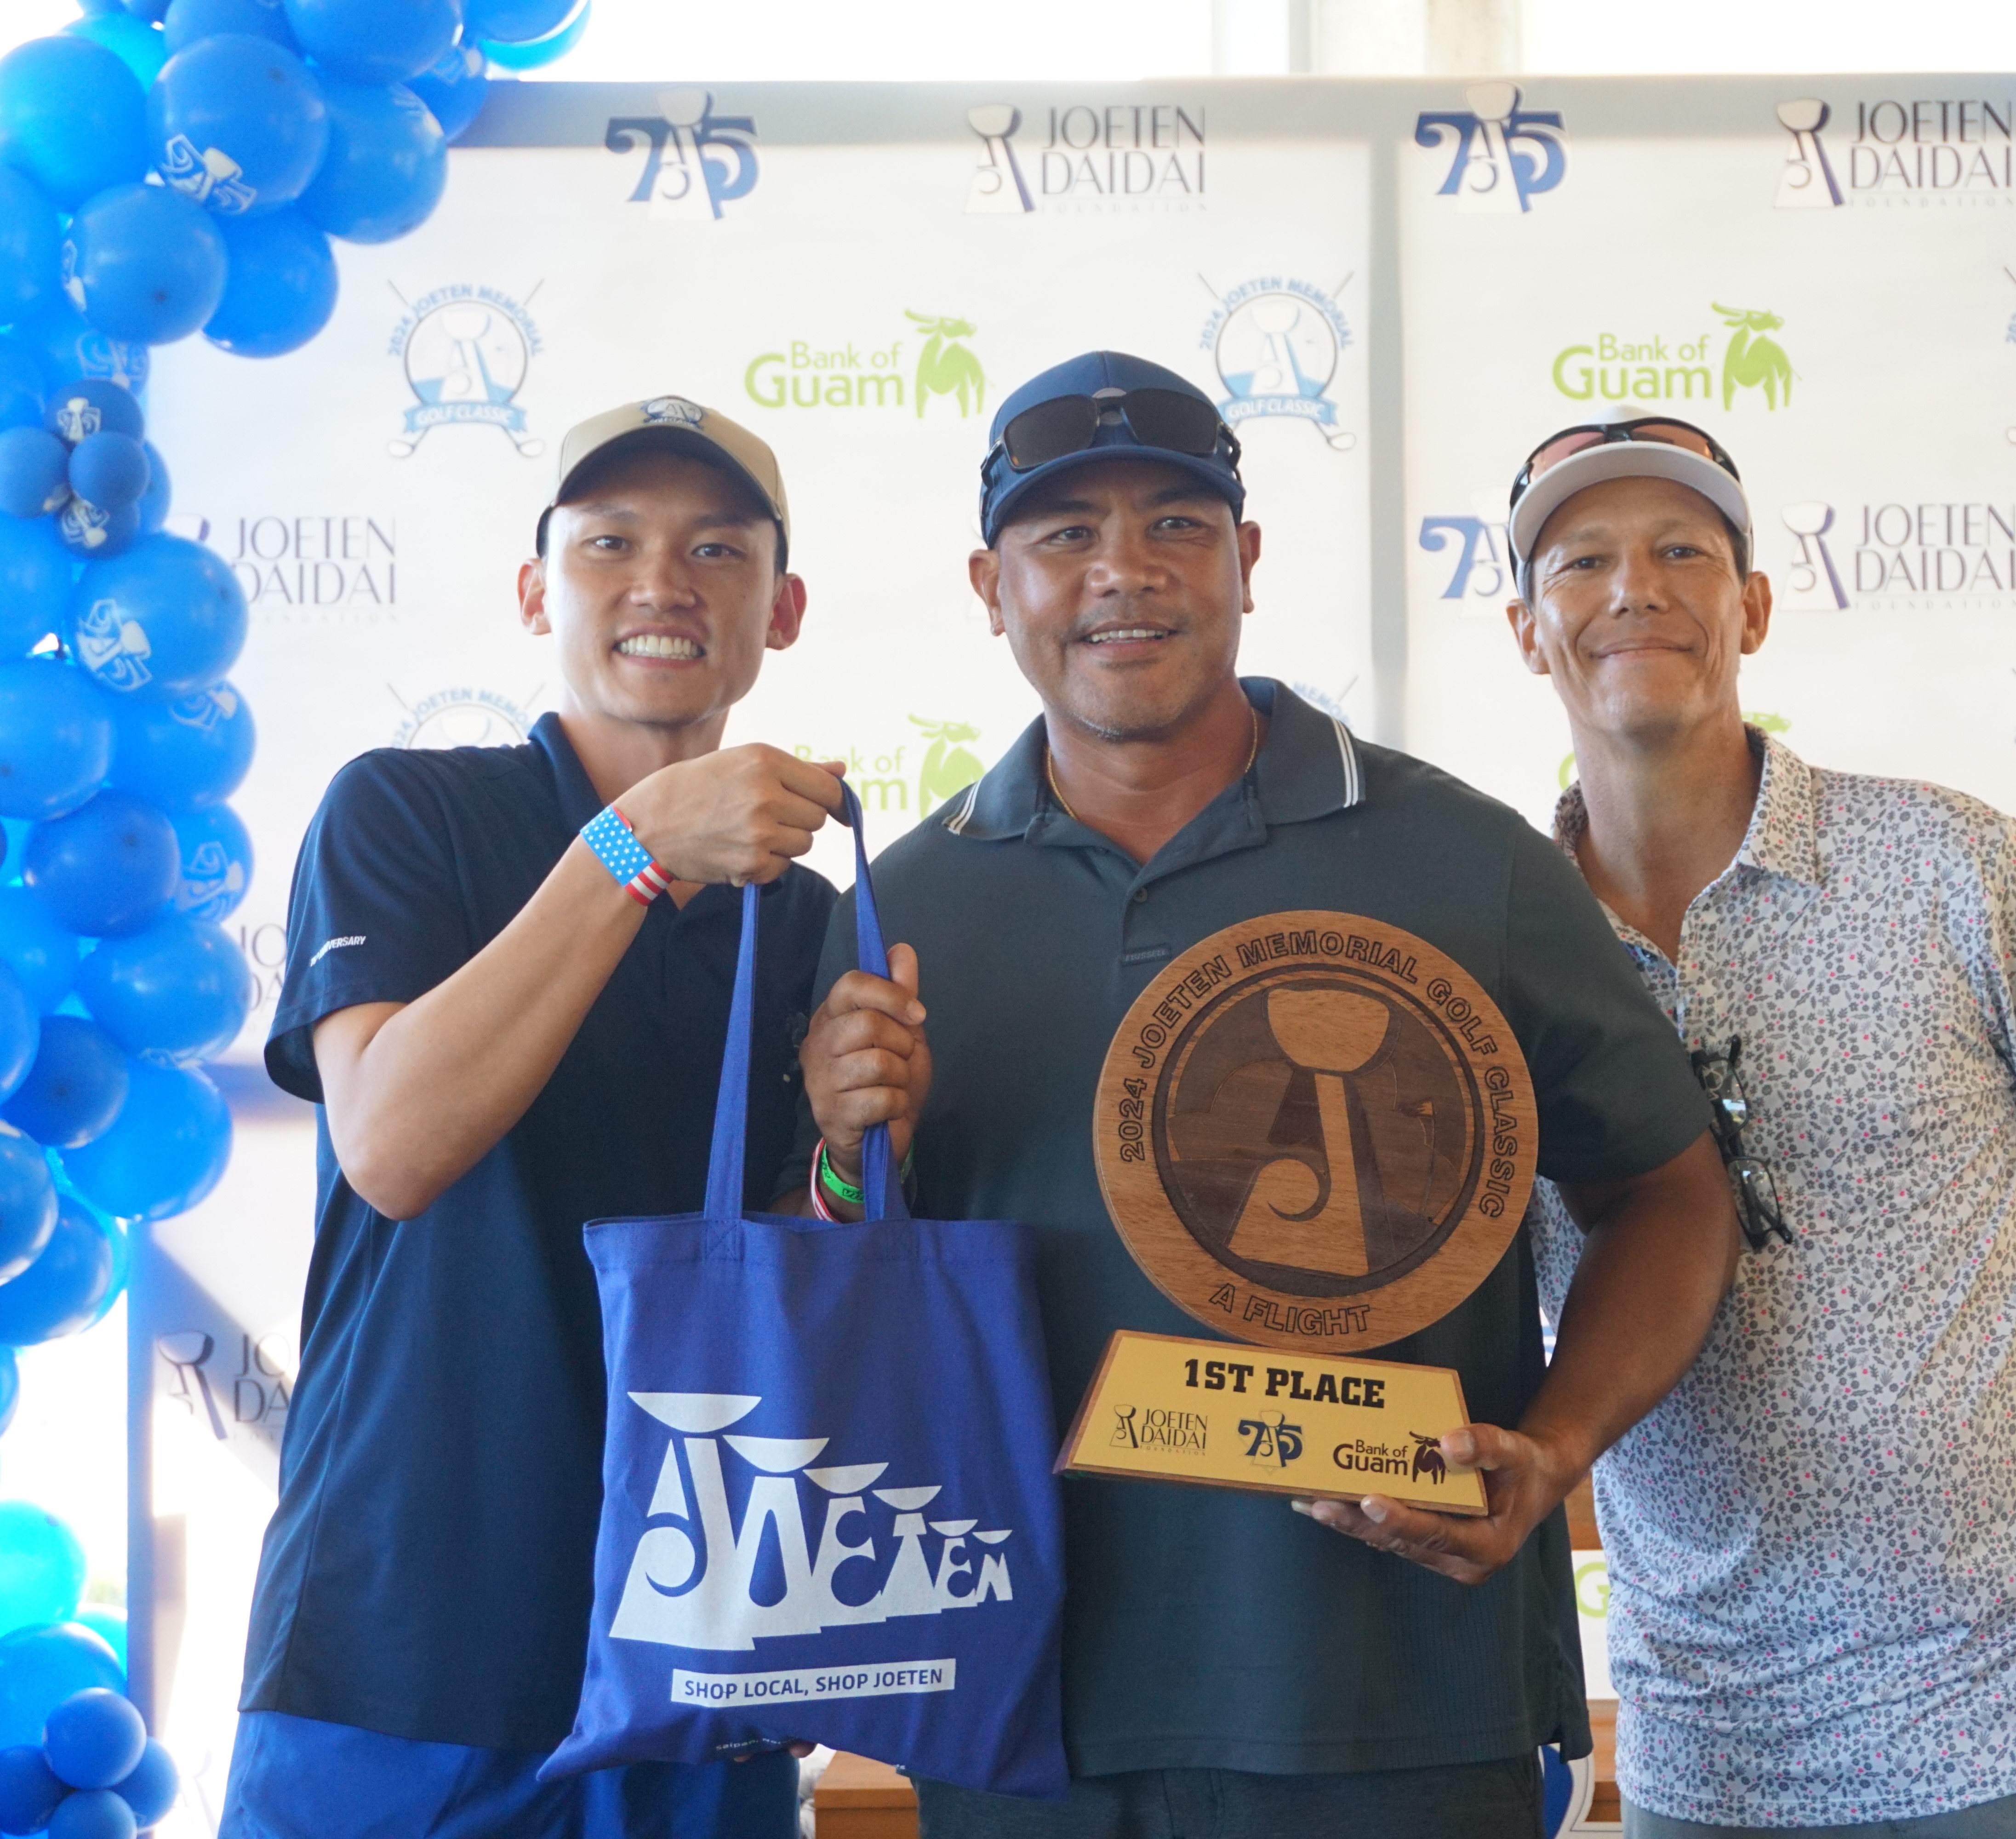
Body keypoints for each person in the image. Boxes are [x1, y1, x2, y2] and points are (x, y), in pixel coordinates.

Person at [786, 351, 1742, 1839]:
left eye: (1175, 524)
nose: (1124, 575)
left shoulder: (1461, 859)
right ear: (991, 584)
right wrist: (848, 1161)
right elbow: (831, 1291)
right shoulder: (896, 911)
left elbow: (1671, 1195)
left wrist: (1552, 1451)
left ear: (1245, 560)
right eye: (1063, 537)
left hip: (1398, 1702)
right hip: (1022, 1712)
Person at [1501, 416, 2016, 1838]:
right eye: (1581, 560)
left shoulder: (1949, 862)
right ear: (1529, 632)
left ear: (1751, 607)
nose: (1632, 587)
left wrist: (1996, 1394)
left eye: (1682, 552)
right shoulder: (1492, 945)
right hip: (1721, 1743)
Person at [224, 398, 844, 1839]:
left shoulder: (814, 915)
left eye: (716, 550)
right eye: (609, 543)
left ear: (783, 607)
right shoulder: (408, 815)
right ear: (535, 589)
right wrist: (632, 849)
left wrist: (842, 1153)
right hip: (402, 1647)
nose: (661, 584)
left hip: (701, 1647)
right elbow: (391, 1148)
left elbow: (805, 1283)